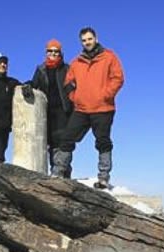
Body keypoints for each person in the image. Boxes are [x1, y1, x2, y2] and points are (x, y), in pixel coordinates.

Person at [52, 27, 125, 189]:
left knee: (102, 142)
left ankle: (104, 177)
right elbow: (68, 83)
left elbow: (118, 78)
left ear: (96, 38)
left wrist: (106, 94)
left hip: (103, 108)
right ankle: (57, 172)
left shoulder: (109, 57)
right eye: (84, 40)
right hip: (82, 109)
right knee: (67, 139)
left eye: (89, 39)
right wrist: (75, 97)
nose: (87, 42)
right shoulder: (76, 62)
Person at [21, 39, 74, 176]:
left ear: (60, 53)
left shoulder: (67, 69)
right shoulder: (41, 69)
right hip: (47, 113)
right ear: (46, 52)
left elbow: (74, 88)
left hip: (64, 111)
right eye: (50, 51)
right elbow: (35, 83)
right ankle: (56, 175)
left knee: (63, 143)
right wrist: (28, 85)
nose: (53, 53)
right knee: (50, 144)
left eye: (56, 51)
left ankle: (61, 174)